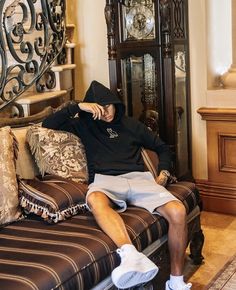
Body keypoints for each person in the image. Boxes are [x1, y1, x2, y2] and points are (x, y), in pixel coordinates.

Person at [42, 80, 192, 290]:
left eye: (108, 106)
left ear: (115, 103)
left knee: (178, 211)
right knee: (94, 198)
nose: (105, 112)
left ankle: (175, 281)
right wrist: (78, 107)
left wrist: (164, 173)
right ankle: (131, 256)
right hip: (105, 180)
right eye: (99, 108)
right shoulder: (83, 125)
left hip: (140, 179)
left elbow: (162, 148)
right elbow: (48, 124)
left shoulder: (131, 125)